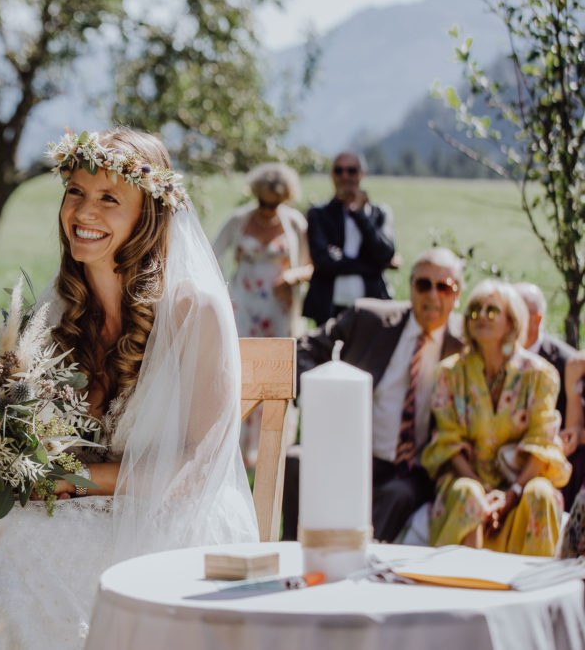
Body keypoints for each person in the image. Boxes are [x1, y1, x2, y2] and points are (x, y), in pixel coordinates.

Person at [0, 128, 258, 649]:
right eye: (76, 192)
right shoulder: (59, 310)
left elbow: (196, 469)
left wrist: (77, 479)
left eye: (109, 198)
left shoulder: (195, 311)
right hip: (80, 515)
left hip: (170, 528)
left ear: (147, 213)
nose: (85, 212)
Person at [282, 248, 465, 542]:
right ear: (411, 286)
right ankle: (295, 554)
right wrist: (318, 398)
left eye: (443, 287)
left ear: (456, 296)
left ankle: (363, 561)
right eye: (423, 284)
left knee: (399, 495)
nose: (433, 295)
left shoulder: (465, 345)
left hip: (408, 469)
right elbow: (302, 351)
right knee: (296, 461)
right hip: (349, 450)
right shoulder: (370, 319)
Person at [422, 280, 570, 556]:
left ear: (511, 322)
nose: (481, 317)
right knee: (468, 493)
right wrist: (485, 492)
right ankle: (464, 586)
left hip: (521, 483)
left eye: (492, 311)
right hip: (468, 479)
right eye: (475, 310)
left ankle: (535, 590)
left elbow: (542, 444)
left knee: (540, 493)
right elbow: (448, 442)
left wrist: (511, 493)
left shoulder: (539, 374)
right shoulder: (450, 373)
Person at [211, 162, 311, 467]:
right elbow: (211, 256)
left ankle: (272, 449)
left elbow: (309, 265)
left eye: (275, 203)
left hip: (279, 311)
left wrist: (293, 277)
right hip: (244, 305)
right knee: (241, 373)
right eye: (263, 202)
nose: (268, 209)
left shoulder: (294, 224)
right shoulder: (238, 220)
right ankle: (235, 450)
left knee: (275, 374)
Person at [302, 152, 397, 325]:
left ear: (362, 174)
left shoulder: (379, 214)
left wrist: (360, 215)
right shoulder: (319, 214)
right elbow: (323, 260)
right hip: (329, 308)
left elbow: (385, 253)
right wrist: (371, 266)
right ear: (332, 175)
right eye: (339, 171)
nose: (345, 176)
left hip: (372, 307)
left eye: (351, 171)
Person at [513, 282, 585, 502]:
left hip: (543, 461)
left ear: (537, 319)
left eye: (517, 314)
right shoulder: (491, 353)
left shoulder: (562, 362)